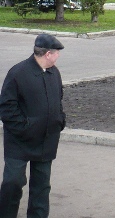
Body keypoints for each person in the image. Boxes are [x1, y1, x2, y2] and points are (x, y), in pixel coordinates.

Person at [0, 34, 66, 218]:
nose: (58, 56)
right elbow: (6, 107)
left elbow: (58, 100)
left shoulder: (54, 73)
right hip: (19, 141)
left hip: (46, 140)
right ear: (47, 54)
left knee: (41, 186)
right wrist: (25, 128)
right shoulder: (18, 73)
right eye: (56, 53)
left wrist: (60, 120)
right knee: (12, 182)